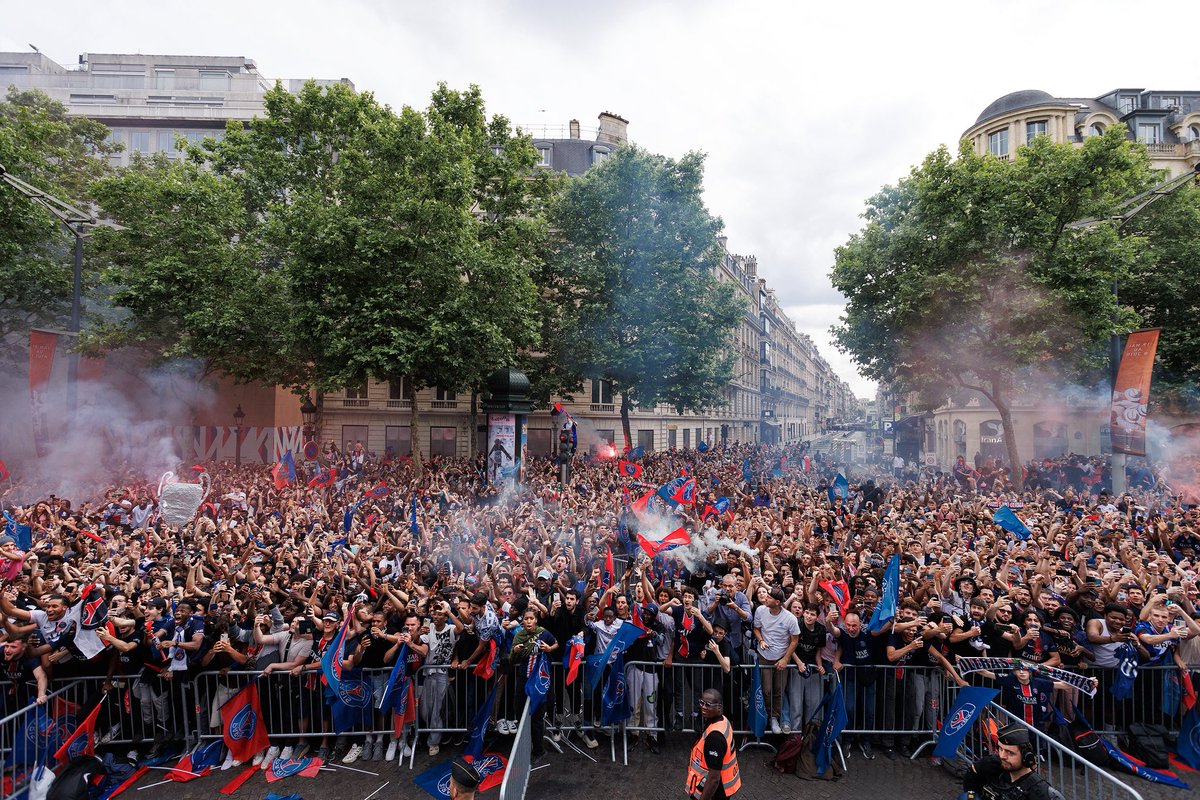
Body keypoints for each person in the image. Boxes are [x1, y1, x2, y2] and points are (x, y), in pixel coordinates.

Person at [962, 723, 1054, 800]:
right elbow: (970, 786)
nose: (1002, 756)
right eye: (1000, 749)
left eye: (1010, 752)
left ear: (1026, 756)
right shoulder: (992, 766)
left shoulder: (1042, 793)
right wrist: (976, 769)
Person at [684, 689, 742, 800]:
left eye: (708, 705)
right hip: (721, 788)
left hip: (714, 792)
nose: (703, 707)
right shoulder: (723, 721)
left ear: (719, 707)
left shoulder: (714, 738)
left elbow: (714, 779)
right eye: (702, 702)